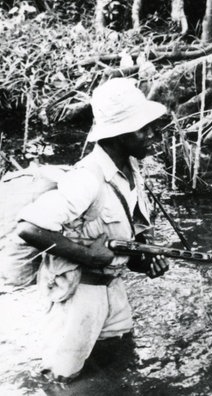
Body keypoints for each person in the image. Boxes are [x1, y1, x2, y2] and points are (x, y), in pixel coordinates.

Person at [15, 77, 170, 381]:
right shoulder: (87, 178)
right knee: (63, 379)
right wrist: (88, 255)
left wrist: (146, 259)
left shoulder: (131, 169)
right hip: (78, 293)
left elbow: (130, 232)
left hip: (112, 286)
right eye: (142, 128)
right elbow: (28, 228)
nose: (152, 134)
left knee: (119, 361)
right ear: (116, 135)